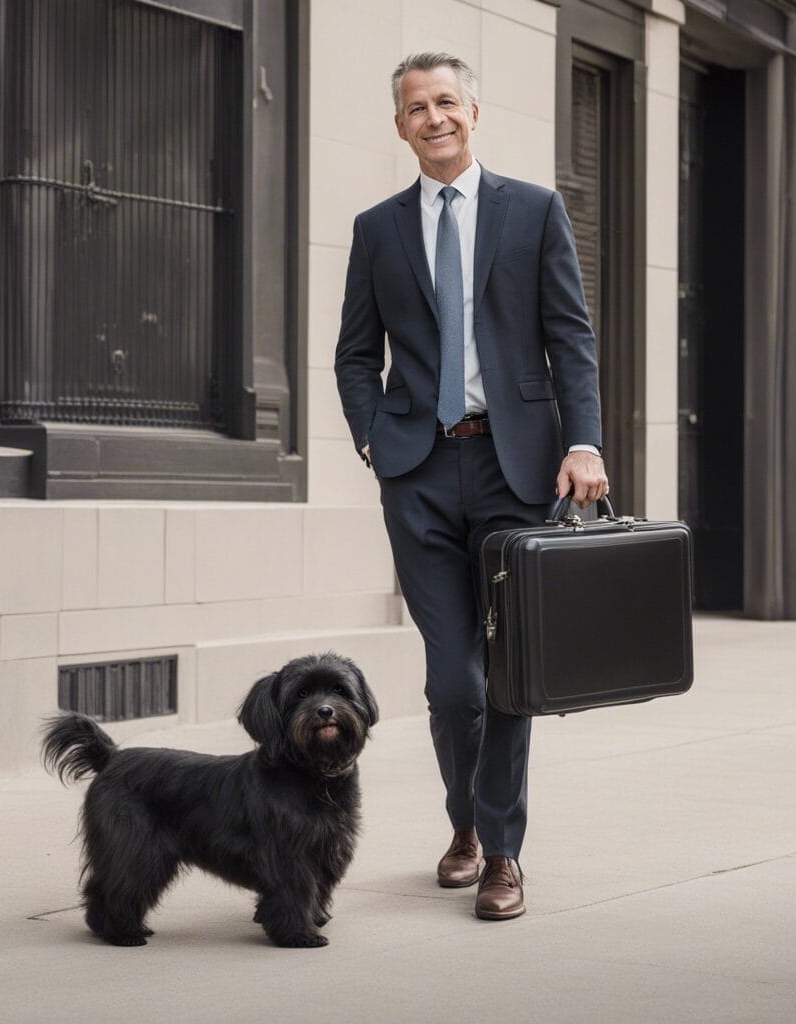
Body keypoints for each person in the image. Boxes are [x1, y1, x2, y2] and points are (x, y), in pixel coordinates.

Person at [334, 52, 608, 920]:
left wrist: (585, 441)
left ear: (474, 112)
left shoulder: (534, 210)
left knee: (508, 677)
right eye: (416, 107)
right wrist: (374, 436)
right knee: (452, 681)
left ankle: (502, 853)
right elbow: (353, 353)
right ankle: (465, 822)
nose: (434, 117)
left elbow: (571, 337)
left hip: (515, 466)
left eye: (446, 101)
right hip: (417, 471)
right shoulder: (377, 228)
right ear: (401, 125)